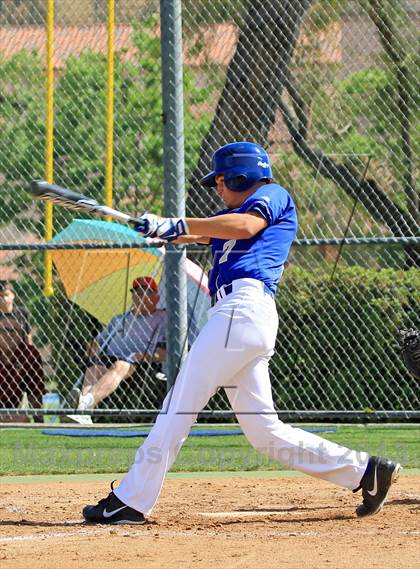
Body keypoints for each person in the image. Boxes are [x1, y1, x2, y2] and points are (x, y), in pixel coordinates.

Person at [83, 141, 400, 524]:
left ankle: (130, 500)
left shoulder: (271, 195)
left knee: (179, 405)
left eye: (220, 179)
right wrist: (157, 227)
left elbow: (244, 226)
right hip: (242, 318)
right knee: (264, 432)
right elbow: (200, 233)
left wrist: (179, 224)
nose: (217, 187)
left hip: (241, 311)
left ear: (241, 173)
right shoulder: (229, 217)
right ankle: (366, 471)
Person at [67, 276, 166, 424]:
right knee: (93, 369)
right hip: (110, 357)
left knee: (120, 366)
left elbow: (163, 354)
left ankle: (84, 404)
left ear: (156, 297)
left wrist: (142, 356)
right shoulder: (120, 318)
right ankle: (84, 410)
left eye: (145, 292)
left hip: (138, 361)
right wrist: (93, 347)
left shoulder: (163, 318)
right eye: (136, 292)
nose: (140, 296)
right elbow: (99, 341)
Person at [0, 280, 45, 421]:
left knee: (32, 366)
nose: (4, 299)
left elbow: (28, 338)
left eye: (6, 295)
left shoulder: (21, 313)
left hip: (19, 357)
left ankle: (39, 417)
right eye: (0, 296)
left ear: (13, 295)